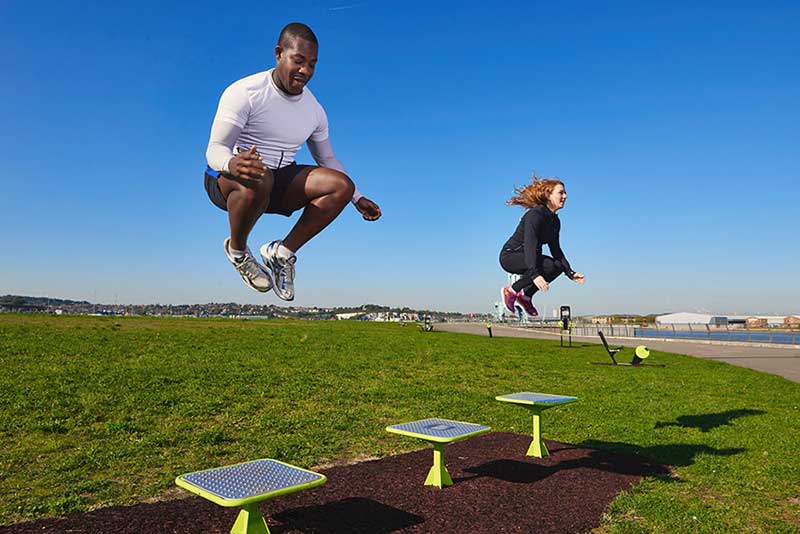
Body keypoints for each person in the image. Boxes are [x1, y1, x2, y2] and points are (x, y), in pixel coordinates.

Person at [204, 22, 381, 300]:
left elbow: (327, 158)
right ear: (278, 53)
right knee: (259, 175)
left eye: (312, 64)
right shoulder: (245, 92)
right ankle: (238, 251)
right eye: (298, 61)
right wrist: (231, 164)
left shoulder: (314, 110)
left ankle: (282, 253)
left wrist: (356, 198)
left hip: (277, 184)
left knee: (341, 186)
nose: (305, 71)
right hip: (230, 180)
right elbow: (214, 149)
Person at [499, 175, 585, 317]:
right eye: (561, 192)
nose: (565, 196)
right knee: (547, 265)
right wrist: (535, 274)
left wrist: (570, 272)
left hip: (530, 257)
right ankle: (511, 290)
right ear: (548, 195)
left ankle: (525, 296)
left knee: (557, 266)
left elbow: (556, 250)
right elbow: (530, 245)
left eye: (565, 192)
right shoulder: (535, 214)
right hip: (510, 256)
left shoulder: (555, 222)